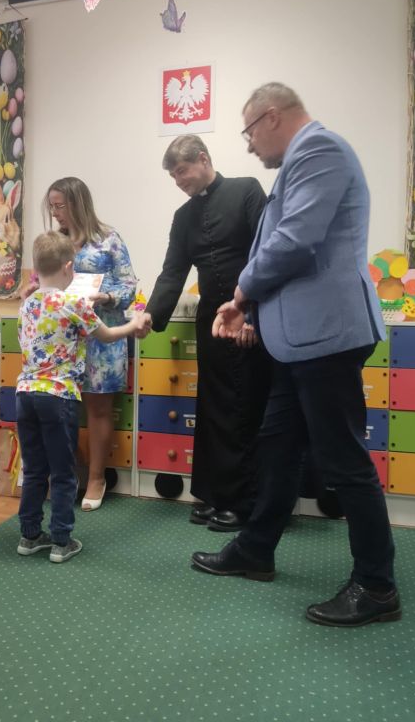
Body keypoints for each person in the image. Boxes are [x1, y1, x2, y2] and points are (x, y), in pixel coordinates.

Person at [192, 82, 400, 628]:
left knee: (343, 459)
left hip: (326, 336)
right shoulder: (299, 163)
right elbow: (284, 248)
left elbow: (294, 242)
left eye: (248, 132)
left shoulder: (319, 150)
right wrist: (258, 316)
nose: (249, 145)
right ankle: (256, 549)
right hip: (301, 338)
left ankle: (377, 585)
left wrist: (240, 296)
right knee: (277, 445)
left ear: (271, 116)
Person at [142, 135, 271, 531]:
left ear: (203, 159)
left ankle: (246, 503)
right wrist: (149, 316)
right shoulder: (183, 217)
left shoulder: (246, 190)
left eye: (181, 171)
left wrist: (253, 316)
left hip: (249, 319)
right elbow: (172, 272)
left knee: (247, 409)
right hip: (210, 325)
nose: (178, 181)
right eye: (172, 176)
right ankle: (216, 494)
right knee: (214, 409)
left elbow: (267, 254)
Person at [16, 231, 146, 563]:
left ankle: (29, 536)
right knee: (63, 472)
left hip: (25, 394)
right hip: (58, 396)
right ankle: (61, 540)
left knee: (34, 469)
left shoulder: (26, 305)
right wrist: (134, 324)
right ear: (69, 267)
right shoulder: (73, 304)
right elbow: (108, 334)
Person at [43, 177, 137, 511]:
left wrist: (105, 297)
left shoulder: (108, 240)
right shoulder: (55, 242)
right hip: (63, 337)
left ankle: (96, 478)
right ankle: (66, 477)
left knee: (98, 408)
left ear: (77, 203)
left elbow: (129, 286)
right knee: (62, 408)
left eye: (60, 206)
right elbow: (44, 278)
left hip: (102, 335)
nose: (55, 213)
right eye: (51, 206)